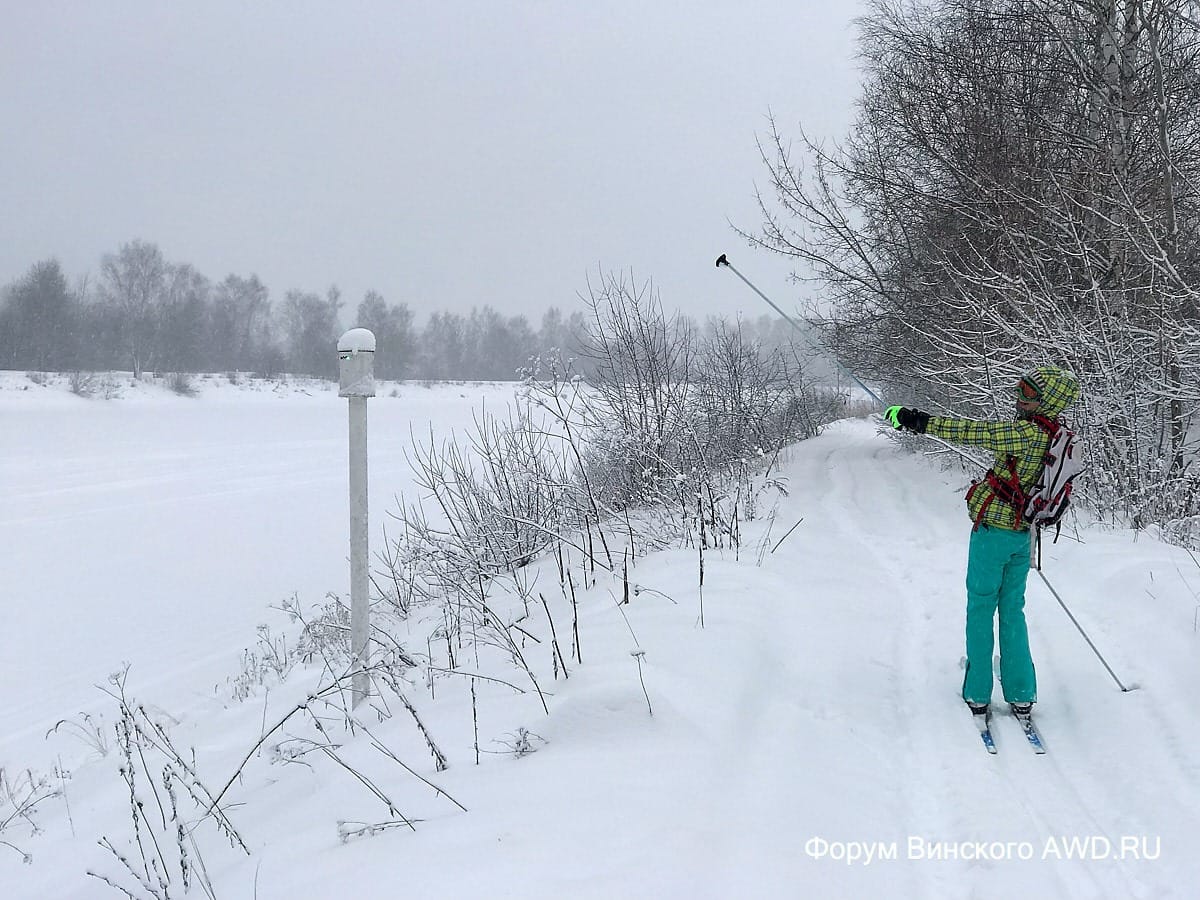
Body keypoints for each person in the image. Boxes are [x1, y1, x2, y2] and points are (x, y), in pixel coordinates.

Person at [884, 366, 1081, 723]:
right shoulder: (1057, 435)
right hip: (1022, 536)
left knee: (979, 608)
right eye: (1021, 388)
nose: (1020, 397)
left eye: (1029, 393)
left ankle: (977, 692)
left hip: (992, 534)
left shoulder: (1025, 433)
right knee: (1012, 611)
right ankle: (1022, 693)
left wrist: (916, 420)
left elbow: (973, 431)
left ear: (1046, 402)